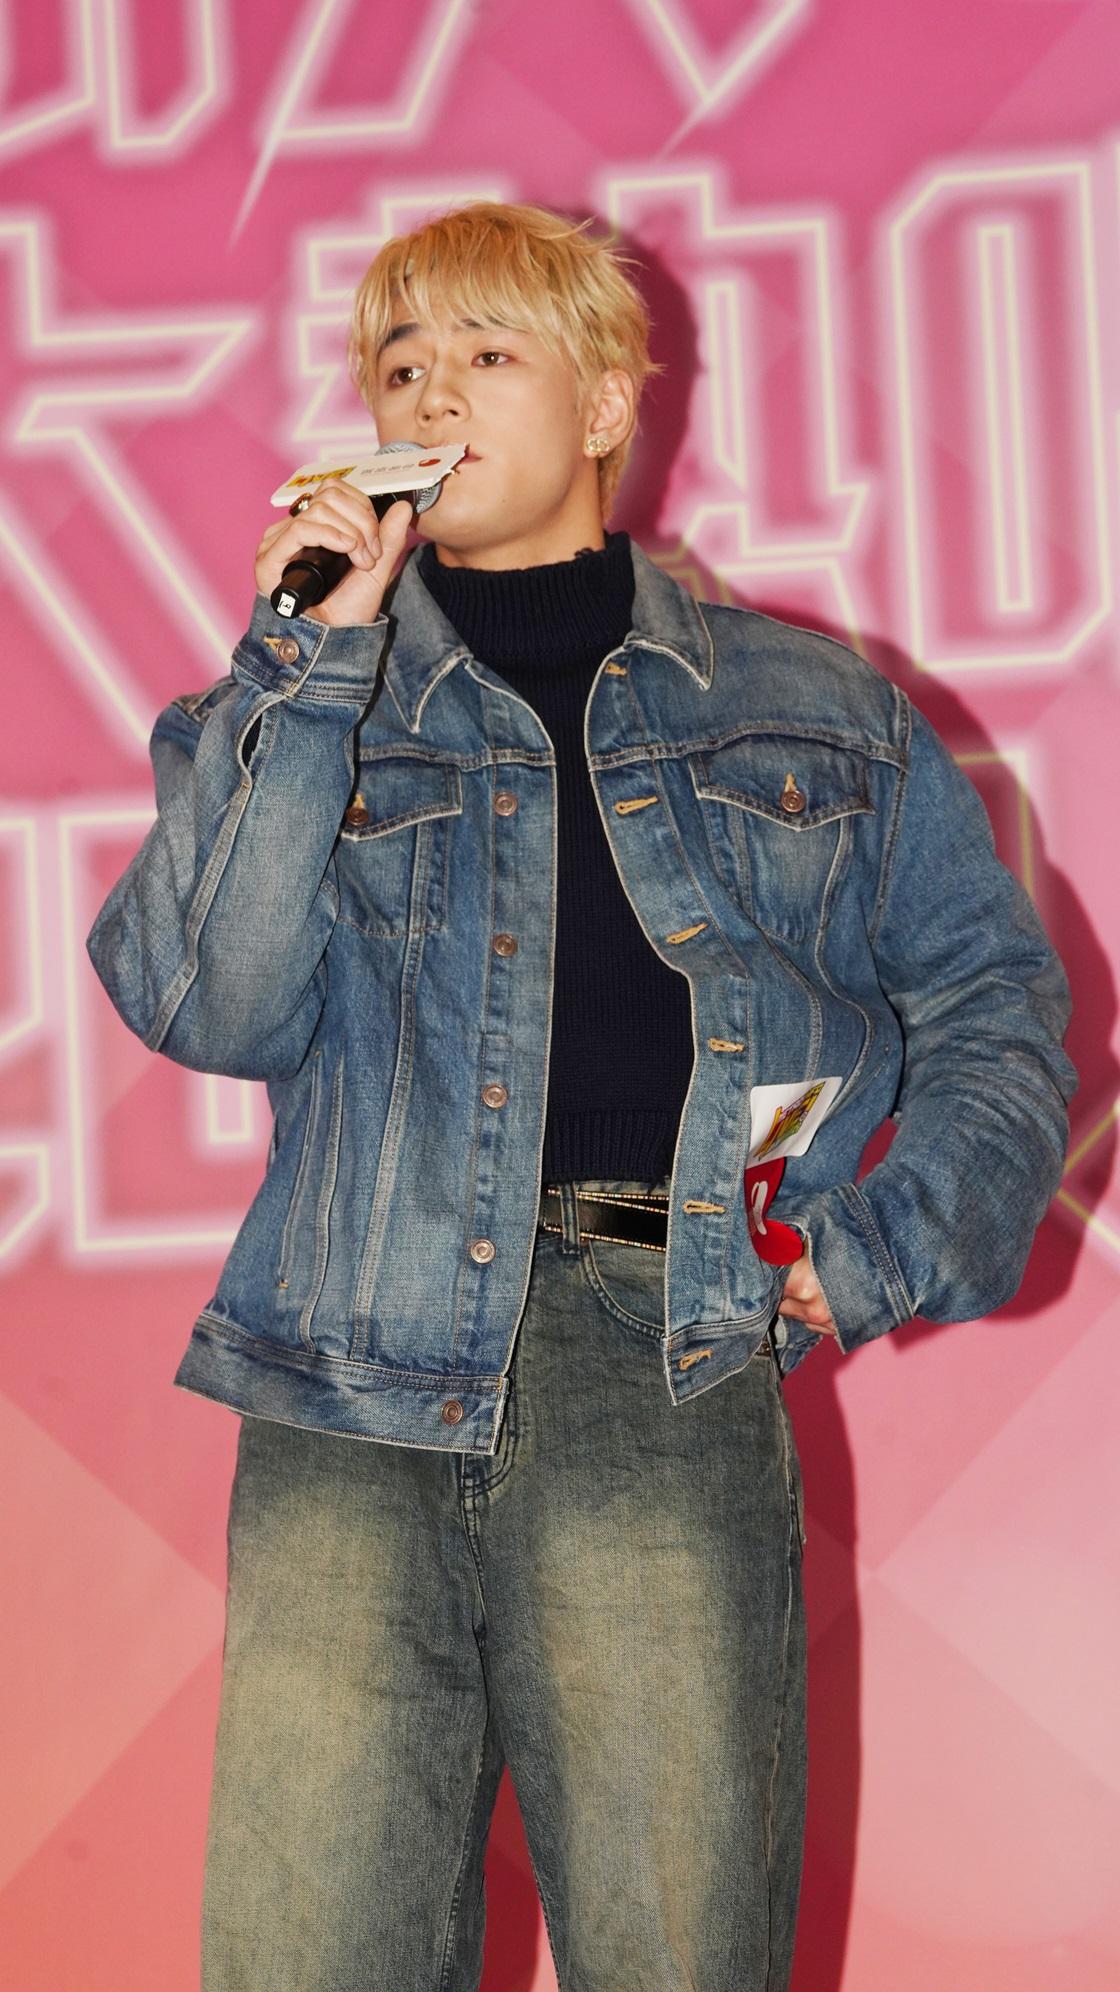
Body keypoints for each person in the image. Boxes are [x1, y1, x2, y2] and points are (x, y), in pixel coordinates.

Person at [85, 200, 1078, 1991]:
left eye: (487, 352)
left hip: (661, 1361)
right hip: (349, 1386)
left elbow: (994, 1002)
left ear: (608, 404)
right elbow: (203, 1002)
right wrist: (305, 664)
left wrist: (876, 1251)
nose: (432, 394)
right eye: (401, 363)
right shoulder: (299, 700)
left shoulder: (808, 707)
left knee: (676, 1953)